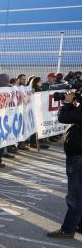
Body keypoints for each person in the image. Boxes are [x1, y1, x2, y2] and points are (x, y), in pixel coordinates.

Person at [47, 90, 82, 238]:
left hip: (78, 156)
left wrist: (67, 103)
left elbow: (63, 117)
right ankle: (79, 224)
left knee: (75, 195)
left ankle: (68, 229)